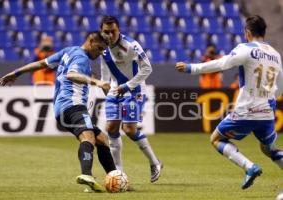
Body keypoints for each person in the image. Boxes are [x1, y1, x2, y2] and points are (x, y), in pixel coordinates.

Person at [0, 32, 117, 192]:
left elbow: (41, 63)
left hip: (61, 109)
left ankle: (115, 178)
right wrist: (96, 81)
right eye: (99, 48)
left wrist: (17, 73)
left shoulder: (68, 51)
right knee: (88, 137)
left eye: (103, 49)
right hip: (73, 105)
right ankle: (87, 175)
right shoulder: (81, 57)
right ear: (91, 41)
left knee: (102, 139)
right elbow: (71, 74)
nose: (100, 52)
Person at [175, 15, 283, 189]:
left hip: (247, 110)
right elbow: (280, 87)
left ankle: (250, 167)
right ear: (264, 32)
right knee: (269, 149)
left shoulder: (245, 49)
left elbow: (222, 64)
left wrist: (191, 68)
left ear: (247, 33)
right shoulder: (276, 55)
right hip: (267, 111)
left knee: (216, 139)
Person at [99, 16, 162, 183]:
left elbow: (147, 68)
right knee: (111, 128)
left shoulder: (132, 45)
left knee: (129, 130)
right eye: (106, 32)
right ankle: (118, 172)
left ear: (119, 30)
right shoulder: (102, 48)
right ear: (101, 32)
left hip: (134, 90)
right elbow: (104, 69)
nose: (110, 35)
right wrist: (105, 85)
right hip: (114, 91)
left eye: (113, 31)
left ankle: (155, 163)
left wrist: (127, 86)